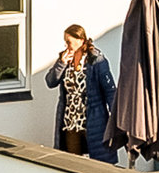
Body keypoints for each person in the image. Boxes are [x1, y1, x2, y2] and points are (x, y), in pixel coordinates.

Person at [45, 25, 117, 163]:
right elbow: (50, 82)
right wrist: (61, 63)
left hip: (93, 121)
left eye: (69, 42)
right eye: (65, 42)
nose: (66, 45)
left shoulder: (96, 60)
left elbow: (110, 90)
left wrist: (115, 118)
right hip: (70, 121)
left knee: (98, 162)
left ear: (81, 40)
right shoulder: (66, 58)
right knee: (73, 163)